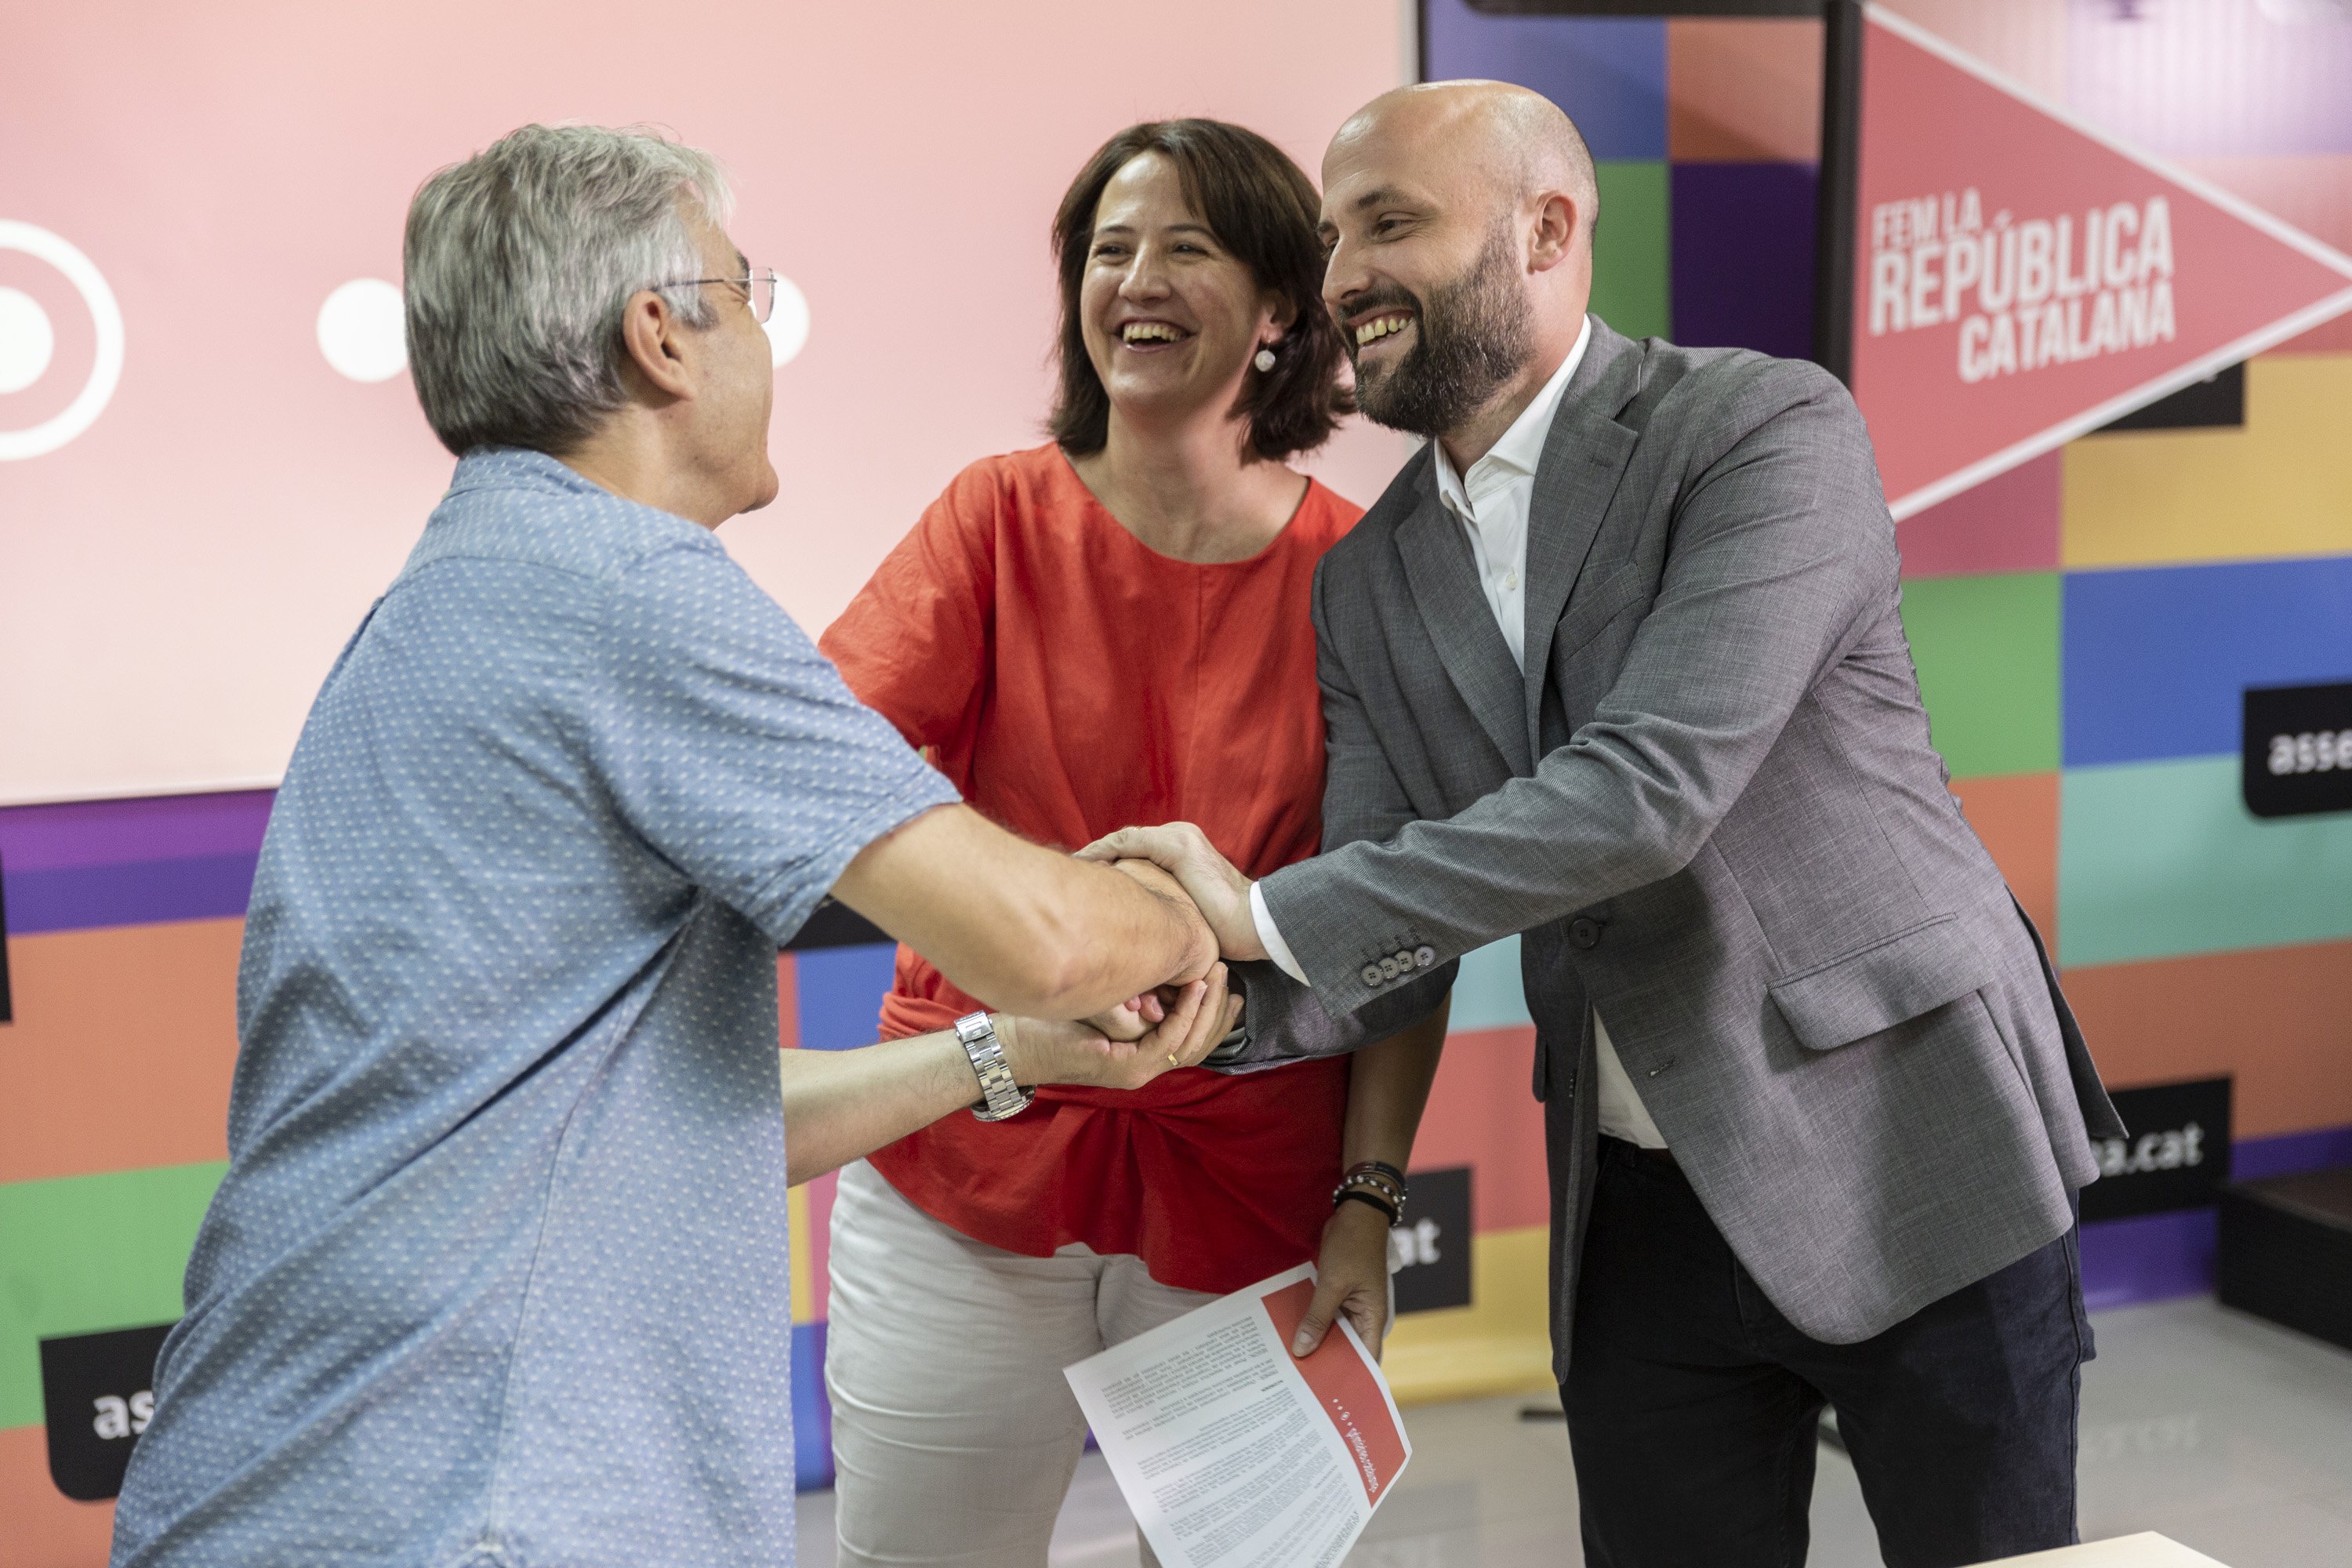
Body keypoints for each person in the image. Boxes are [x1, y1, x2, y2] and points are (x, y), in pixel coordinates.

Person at [109, 123, 1239, 1568]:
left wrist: (1006, 1056)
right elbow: (1047, 934)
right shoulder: (628, 588)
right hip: (478, 1502)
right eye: (746, 291)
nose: (767, 336)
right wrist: (1202, 911)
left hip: (312, 1481)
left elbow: (657, 1119)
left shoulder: (452, 597)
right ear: (662, 335)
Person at [1091, 82, 2126, 1568]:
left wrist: (1250, 911)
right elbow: (1383, 913)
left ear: (1548, 230)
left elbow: (1650, 797)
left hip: (1909, 1132)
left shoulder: (1761, 426)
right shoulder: (1366, 578)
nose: (1341, 280)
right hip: (1634, 1203)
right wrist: (1204, 1001)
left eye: (1390, 223)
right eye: (1330, 240)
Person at [814, 119, 1451, 1568]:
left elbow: (1412, 935)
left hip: (1259, 1203)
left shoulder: (1370, 575)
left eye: (1184, 246)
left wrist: (1367, 1204)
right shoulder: (993, 519)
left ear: (1283, 307)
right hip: (967, 1169)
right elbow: (816, 768)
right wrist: (1039, 939)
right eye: (1108, 250)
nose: (1135, 279)